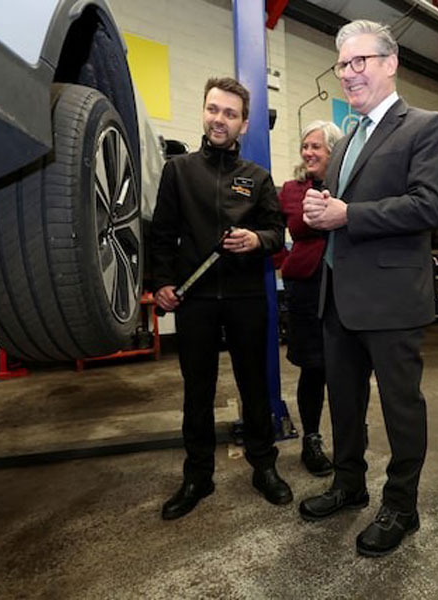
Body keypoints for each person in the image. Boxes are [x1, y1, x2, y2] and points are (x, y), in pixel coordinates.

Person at [298, 20, 438, 557]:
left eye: (360, 61)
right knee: (343, 401)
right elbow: (341, 210)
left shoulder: (426, 127)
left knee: (399, 407)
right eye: (342, 64)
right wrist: (322, 211)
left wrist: (348, 213)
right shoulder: (346, 142)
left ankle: (401, 506)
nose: (349, 73)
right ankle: (348, 483)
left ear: (391, 64)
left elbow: (432, 206)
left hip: (391, 298)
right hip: (337, 295)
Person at [150, 77, 292, 521]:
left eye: (230, 114)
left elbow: (278, 234)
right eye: (214, 109)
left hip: (247, 296)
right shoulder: (179, 171)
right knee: (198, 391)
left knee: (255, 387)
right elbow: (161, 235)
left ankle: (264, 467)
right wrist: (162, 282)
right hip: (196, 299)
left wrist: (256, 238)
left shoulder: (258, 178)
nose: (220, 119)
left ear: (244, 124)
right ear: (204, 111)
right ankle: (197, 476)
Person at [278, 120, 343, 477]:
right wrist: (285, 262)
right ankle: (312, 440)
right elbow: (284, 229)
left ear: (333, 151)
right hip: (307, 285)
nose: (308, 153)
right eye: (305, 146)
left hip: (346, 283)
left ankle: (351, 434)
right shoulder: (291, 188)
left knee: (349, 366)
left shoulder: (349, 183)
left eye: (316, 146)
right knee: (314, 367)